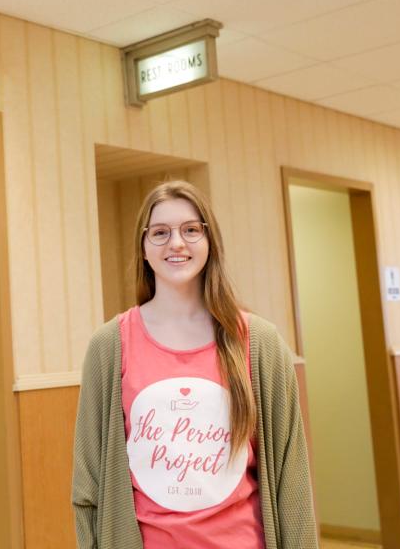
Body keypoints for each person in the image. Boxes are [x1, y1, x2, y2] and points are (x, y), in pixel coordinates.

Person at [72, 180, 317, 549]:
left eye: (190, 230)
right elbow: (87, 486)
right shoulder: (109, 346)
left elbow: (292, 479)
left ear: (209, 242)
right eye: (160, 232)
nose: (176, 243)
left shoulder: (259, 343)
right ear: (143, 248)